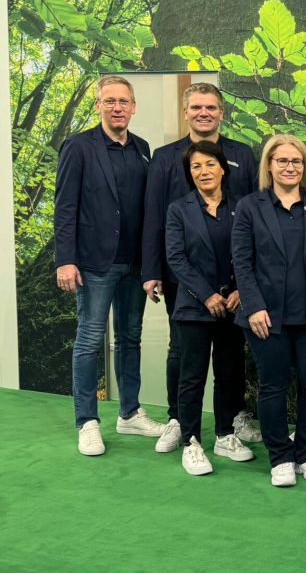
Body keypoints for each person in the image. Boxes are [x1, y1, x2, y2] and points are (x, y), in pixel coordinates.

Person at [141, 82, 259, 454]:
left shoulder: (243, 154)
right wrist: (152, 269)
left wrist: (245, 283)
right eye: (196, 107)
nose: (203, 113)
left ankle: (231, 422)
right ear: (186, 111)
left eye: (211, 107)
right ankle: (179, 420)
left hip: (232, 278)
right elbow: (154, 217)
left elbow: (252, 220)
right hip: (184, 275)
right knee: (183, 351)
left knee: (230, 355)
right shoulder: (163, 157)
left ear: (221, 112)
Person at [55, 75, 164, 455]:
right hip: (94, 263)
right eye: (109, 101)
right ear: (98, 105)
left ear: (134, 107)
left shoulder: (143, 148)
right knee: (88, 340)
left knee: (130, 338)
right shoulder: (78, 147)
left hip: (134, 264)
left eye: (123, 101)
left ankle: (129, 413)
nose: (117, 107)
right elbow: (66, 206)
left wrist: (152, 265)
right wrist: (65, 260)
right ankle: (86, 421)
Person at [231, 134, 306, 487]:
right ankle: (279, 456)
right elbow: (242, 263)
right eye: (282, 161)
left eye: (296, 161)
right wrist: (253, 306)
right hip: (266, 317)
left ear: (304, 166)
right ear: (270, 166)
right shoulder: (250, 206)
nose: (290, 167)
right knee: (273, 386)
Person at [164, 140, 255, 475]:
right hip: (194, 308)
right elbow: (176, 258)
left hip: (233, 306)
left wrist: (238, 291)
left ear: (223, 168)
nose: (204, 172)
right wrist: (206, 295)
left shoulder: (242, 206)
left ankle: (224, 435)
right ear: (190, 174)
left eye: (210, 164)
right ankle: (190, 441)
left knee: (229, 374)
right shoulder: (179, 210)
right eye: (196, 167)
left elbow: (250, 252)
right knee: (192, 376)